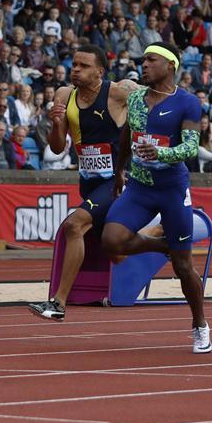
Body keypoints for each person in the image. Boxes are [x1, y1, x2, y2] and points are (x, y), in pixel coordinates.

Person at [101, 42, 211, 354]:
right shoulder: (135, 98)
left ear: (170, 66)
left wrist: (160, 152)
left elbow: (190, 147)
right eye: (143, 60)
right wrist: (119, 170)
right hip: (140, 187)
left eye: (151, 60)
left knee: (183, 267)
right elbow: (127, 135)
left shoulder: (188, 102)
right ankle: (163, 245)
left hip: (172, 190)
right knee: (111, 241)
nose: (144, 65)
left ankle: (200, 324)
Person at [28, 44, 143, 321]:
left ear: (100, 72)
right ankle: (163, 242)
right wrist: (57, 124)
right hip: (88, 182)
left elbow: (153, 101)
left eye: (84, 66)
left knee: (74, 225)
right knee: (114, 251)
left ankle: (58, 303)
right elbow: (57, 148)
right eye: (74, 65)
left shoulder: (117, 92)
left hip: (116, 181)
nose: (76, 70)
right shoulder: (64, 95)